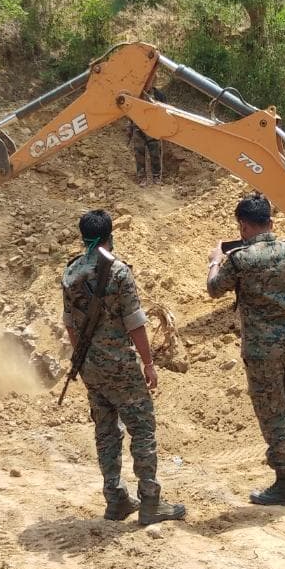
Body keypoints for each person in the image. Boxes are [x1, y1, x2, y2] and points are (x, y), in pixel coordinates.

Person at [62, 210, 185, 525]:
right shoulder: (117, 272)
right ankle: (150, 502)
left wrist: (84, 358)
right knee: (142, 428)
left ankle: (115, 499)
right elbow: (135, 323)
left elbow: (71, 326)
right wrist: (148, 363)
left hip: (90, 365)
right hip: (120, 365)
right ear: (109, 236)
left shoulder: (70, 272)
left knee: (105, 431)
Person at [207, 193, 285, 507]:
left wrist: (214, 262)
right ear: (271, 222)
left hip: (263, 350)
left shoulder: (240, 259)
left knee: (272, 414)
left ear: (243, 226)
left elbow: (214, 289)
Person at [128, 87, 168, 186]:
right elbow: (129, 110)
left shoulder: (159, 95)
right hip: (138, 127)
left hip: (154, 128)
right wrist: (130, 129)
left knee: (155, 154)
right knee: (139, 152)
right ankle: (142, 178)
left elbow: (165, 111)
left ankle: (157, 177)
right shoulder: (135, 94)